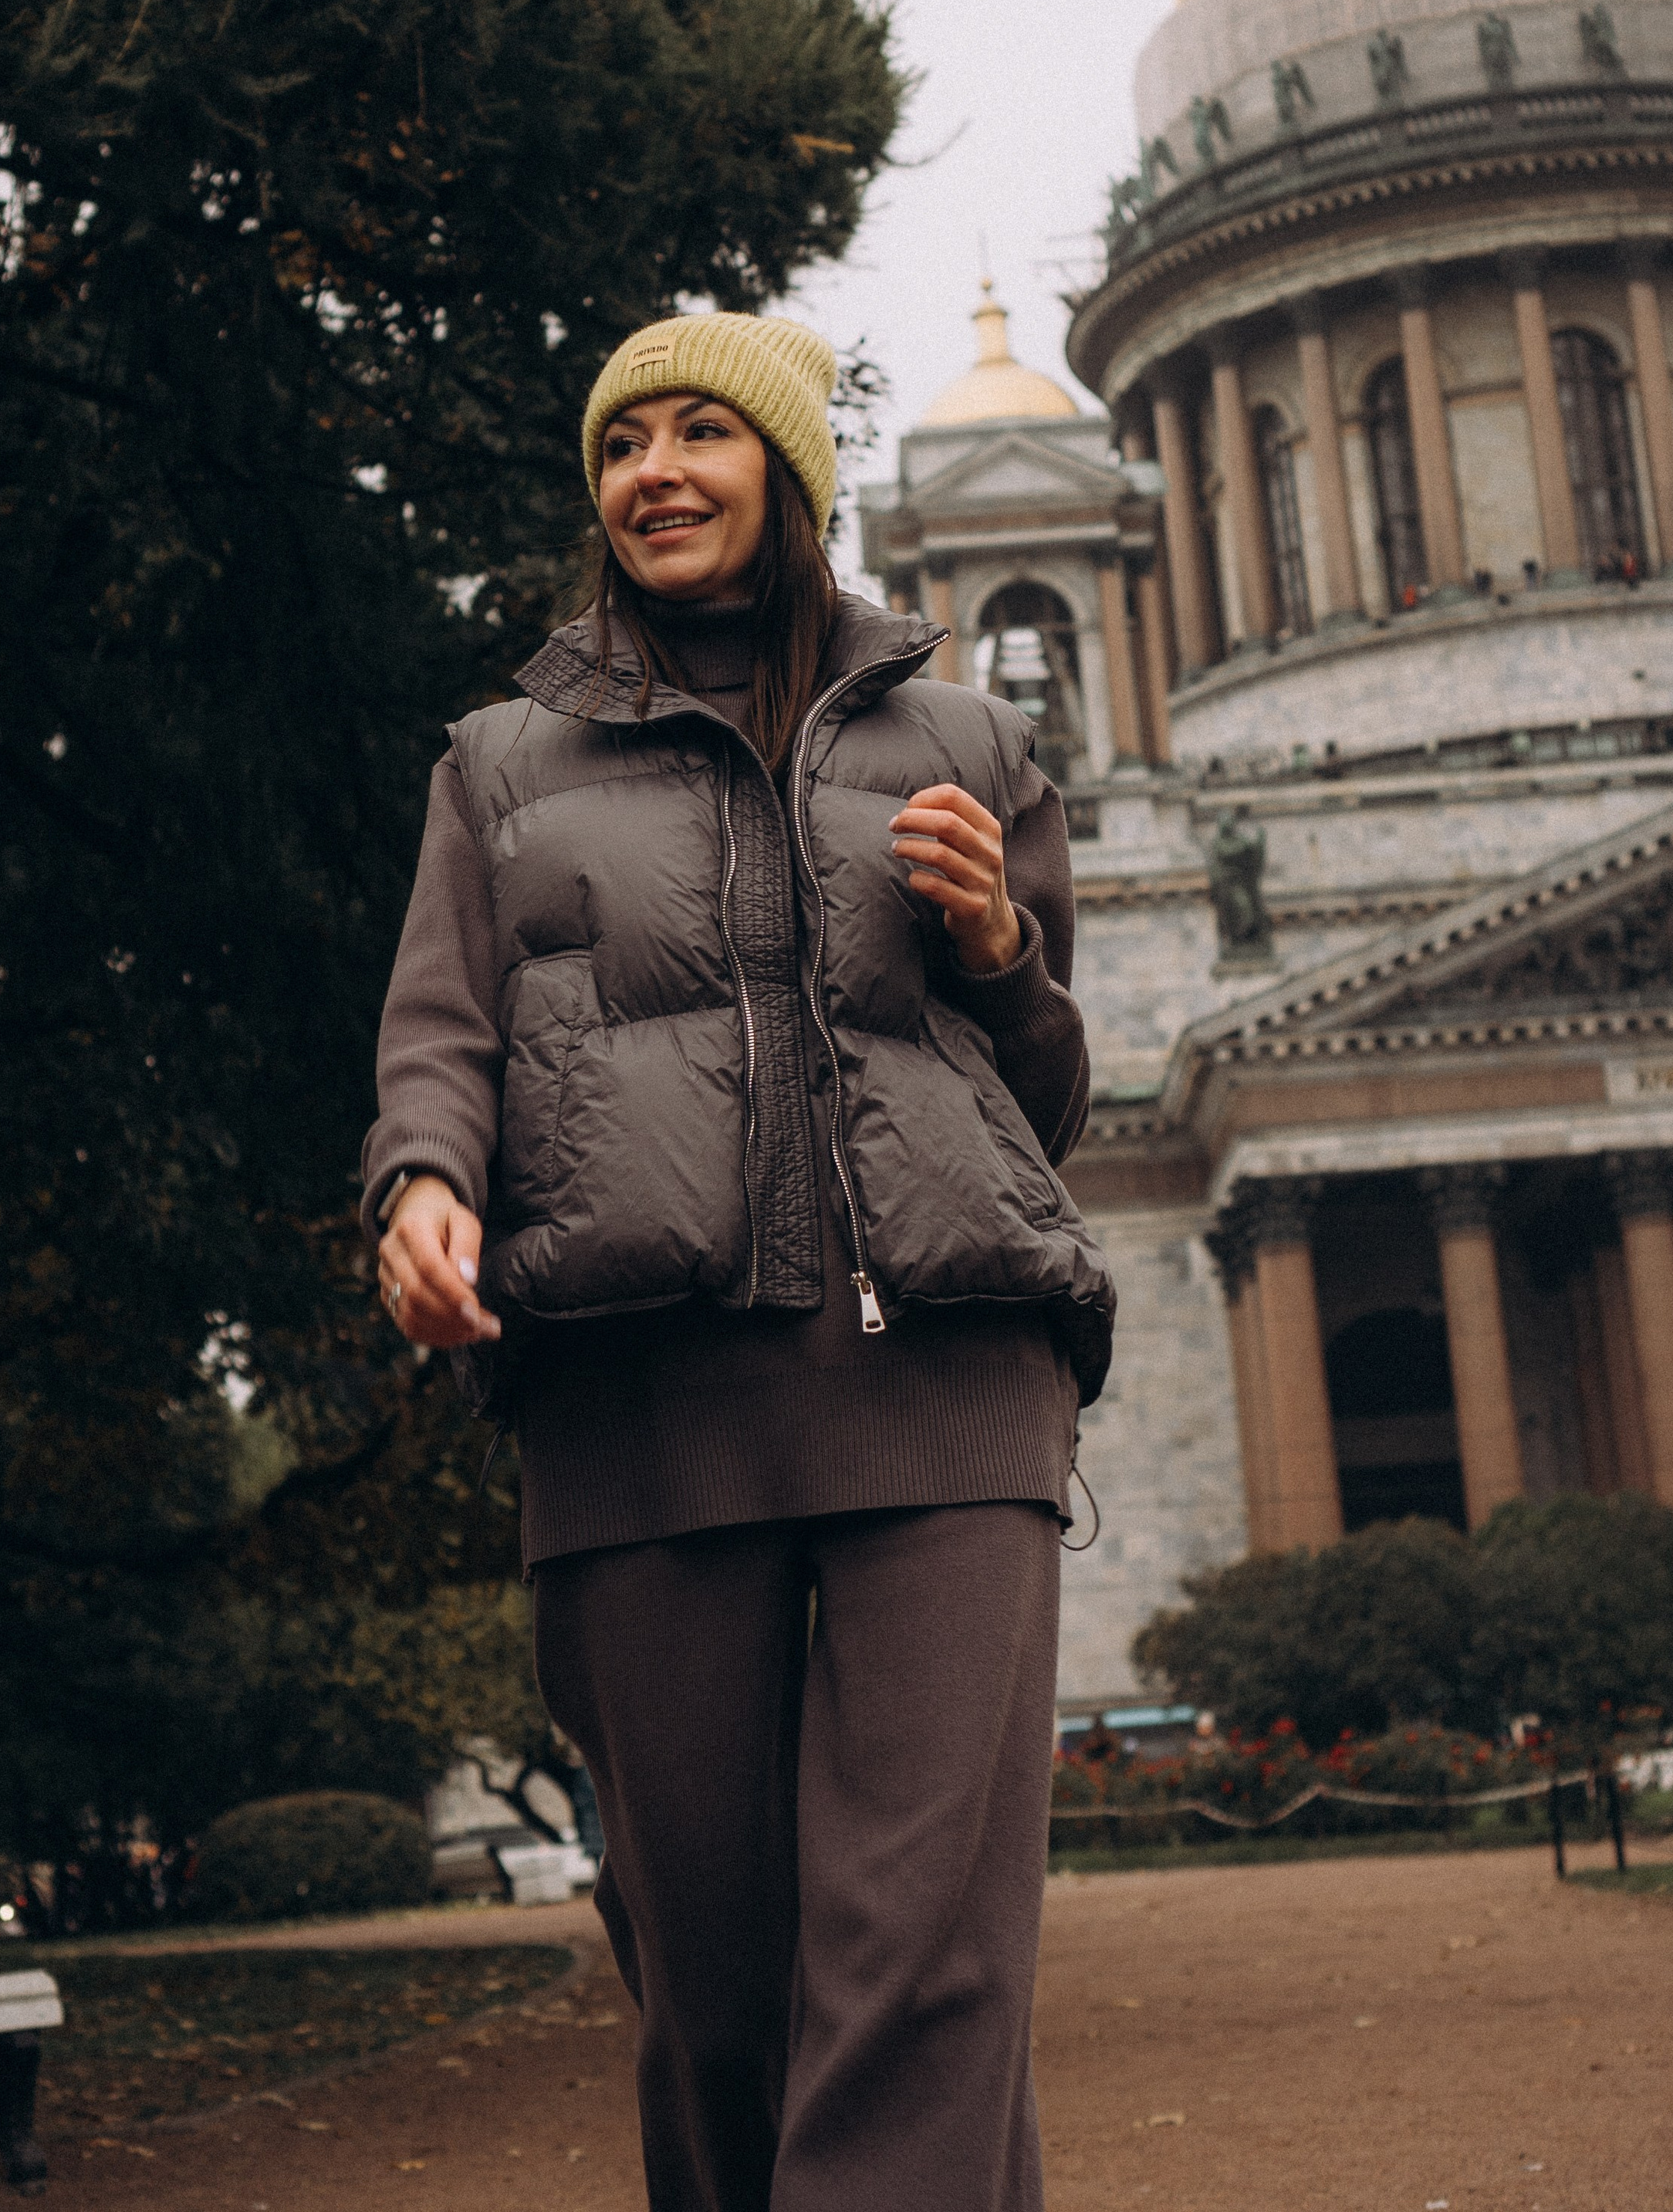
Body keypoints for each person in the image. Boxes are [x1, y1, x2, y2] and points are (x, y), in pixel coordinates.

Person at [363, 311, 1116, 2212]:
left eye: (704, 433)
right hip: (638, 1405)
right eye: (624, 443)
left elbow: (1043, 1097)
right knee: (710, 2000)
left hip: (944, 1388)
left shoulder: (966, 738)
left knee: (924, 1972)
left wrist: (998, 953)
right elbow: (439, 1035)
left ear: (786, 474)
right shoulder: (499, 764)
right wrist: (419, 1193)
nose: (656, 473)